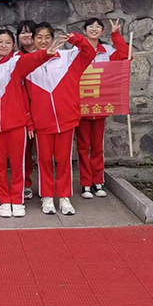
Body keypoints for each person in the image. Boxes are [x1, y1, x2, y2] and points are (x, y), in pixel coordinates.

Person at [0, 29, 62, 218]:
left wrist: (45, 54)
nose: (3, 45)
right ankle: (3, 200)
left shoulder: (16, 63)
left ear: (13, 45)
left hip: (16, 124)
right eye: (0, 42)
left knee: (18, 165)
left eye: (8, 42)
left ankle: (17, 200)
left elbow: (31, 61)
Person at [26, 23, 96, 216]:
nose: (43, 41)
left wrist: (77, 39)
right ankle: (47, 196)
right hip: (42, 122)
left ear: (53, 38)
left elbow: (89, 53)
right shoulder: (28, 62)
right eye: (39, 37)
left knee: (64, 160)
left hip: (65, 119)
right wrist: (30, 121)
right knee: (44, 160)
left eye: (47, 37)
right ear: (33, 39)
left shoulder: (67, 58)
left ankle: (64, 197)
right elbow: (22, 96)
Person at [75, 18, 130, 199]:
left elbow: (125, 56)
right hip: (81, 107)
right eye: (90, 26)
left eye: (98, 26)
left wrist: (116, 35)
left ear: (102, 31)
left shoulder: (108, 51)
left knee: (97, 147)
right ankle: (85, 183)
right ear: (84, 31)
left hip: (100, 106)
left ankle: (97, 181)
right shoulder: (75, 52)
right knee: (83, 147)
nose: (94, 29)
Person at [16, 20, 38, 201]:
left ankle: (48, 188)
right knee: (25, 151)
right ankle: (26, 184)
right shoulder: (15, 58)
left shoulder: (46, 55)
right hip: (23, 110)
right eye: (22, 32)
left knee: (46, 153)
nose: (26, 35)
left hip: (43, 108)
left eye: (30, 32)